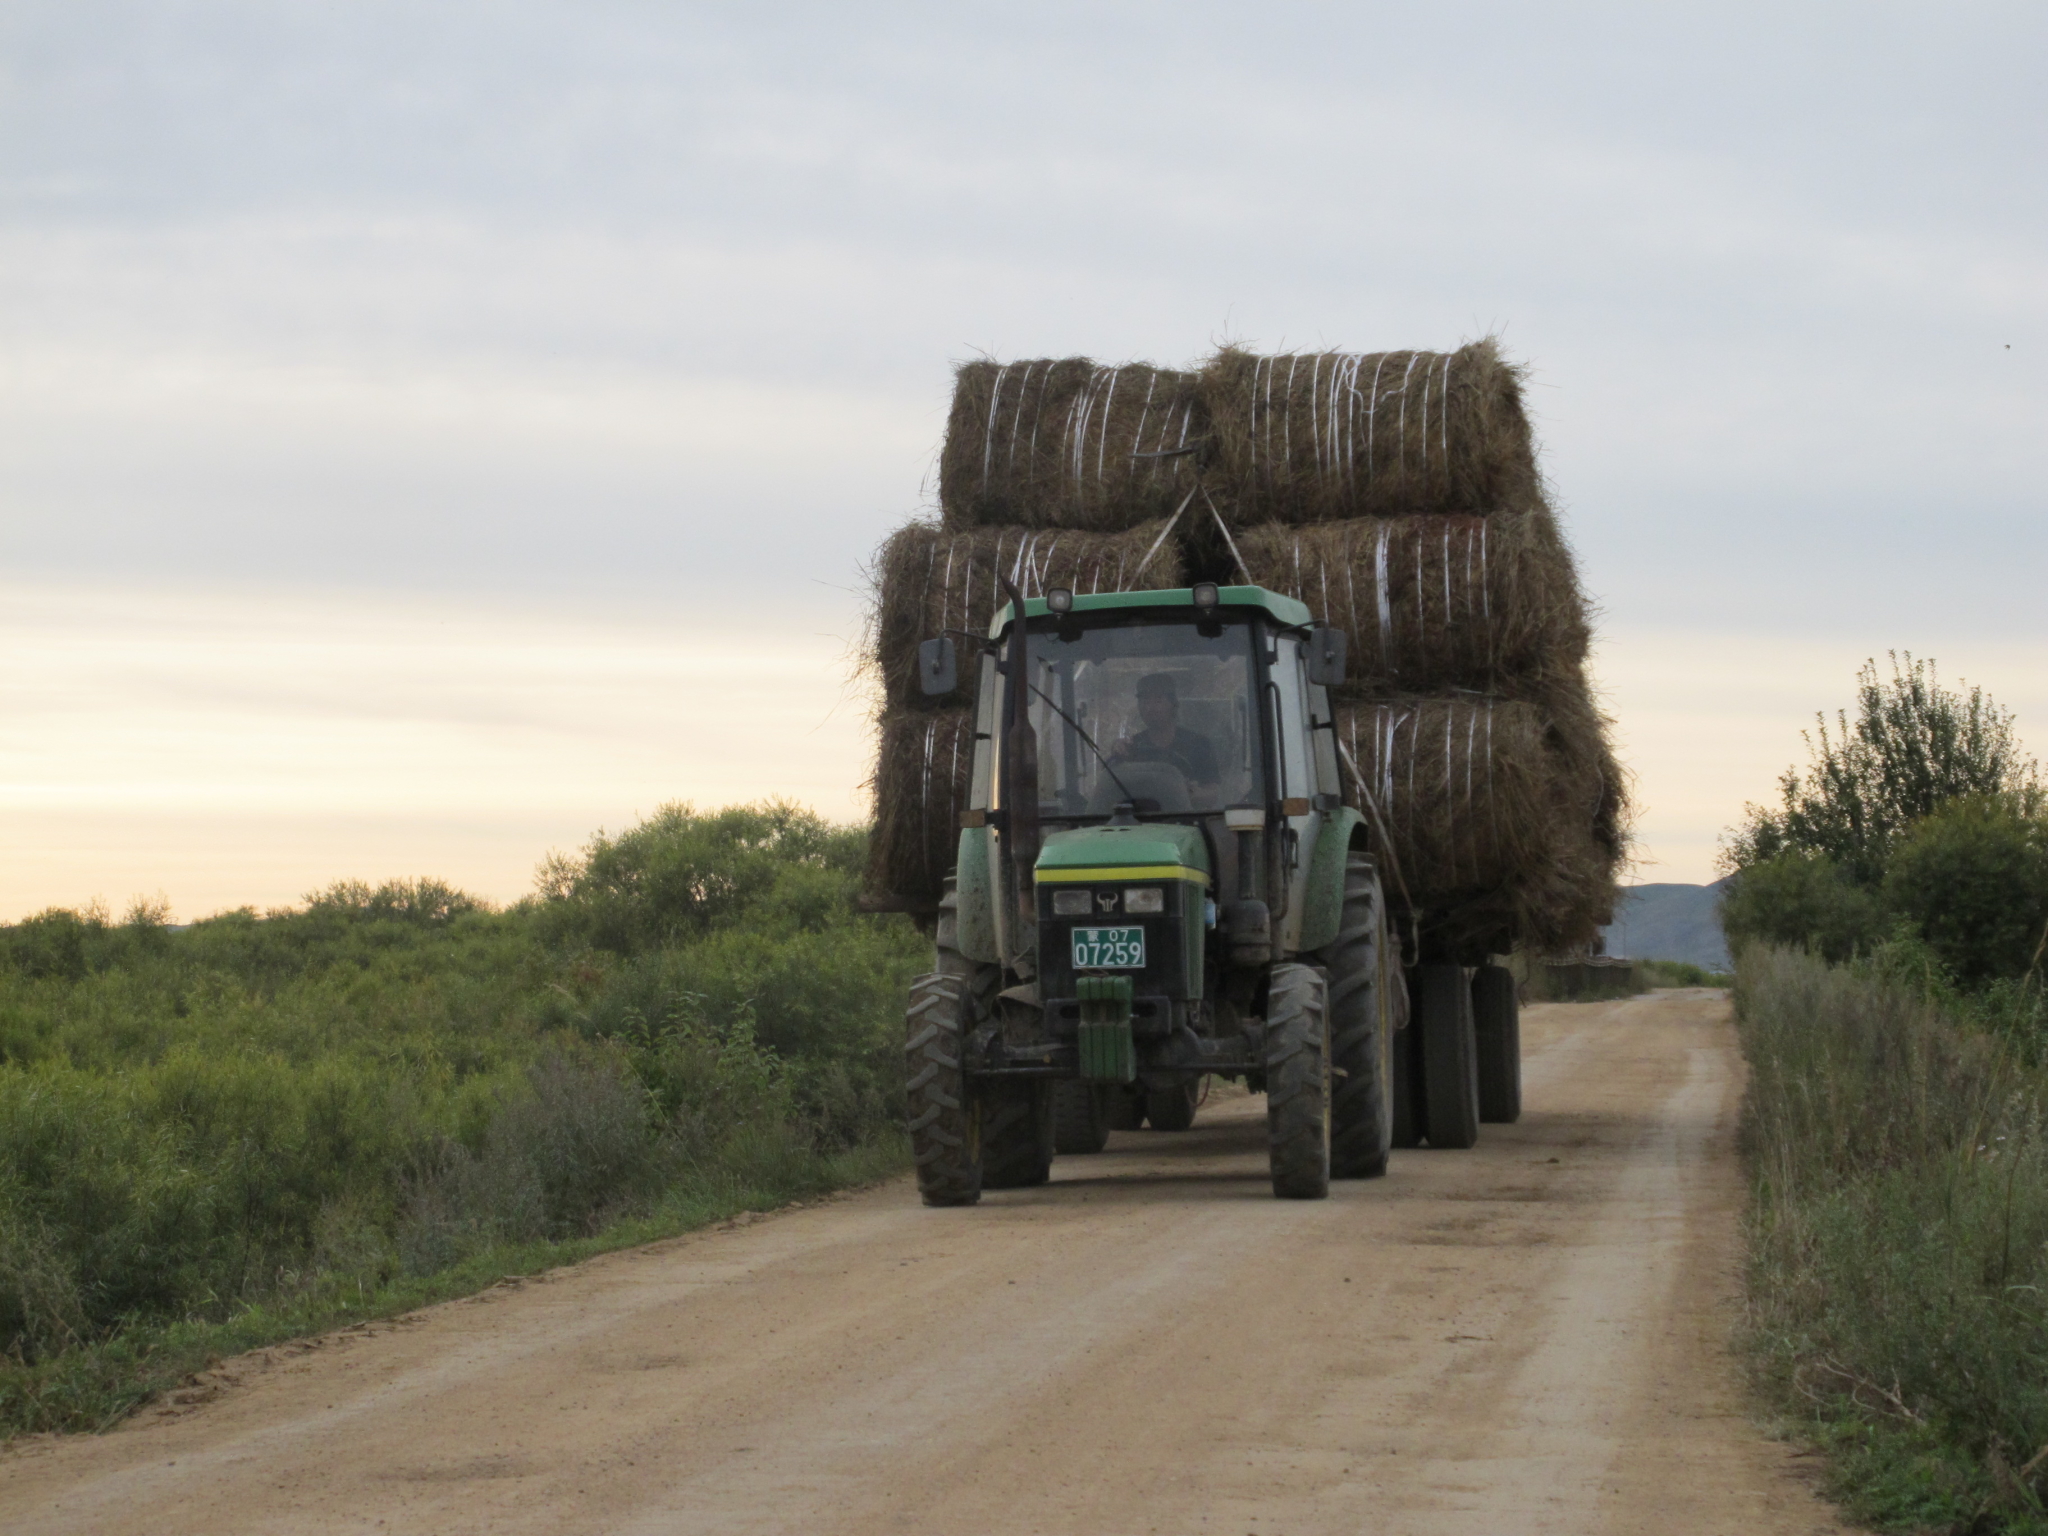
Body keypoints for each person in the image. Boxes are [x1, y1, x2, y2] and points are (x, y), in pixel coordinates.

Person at [1111, 672, 1219, 802]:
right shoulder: (1131, 747)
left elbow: (1213, 793)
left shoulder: (1199, 744)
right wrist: (1117, 755)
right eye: (1145, 701)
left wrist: (1192, 793)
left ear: (1173, 704)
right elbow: (1112, 791)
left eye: (1158, 700)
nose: (1150, 708)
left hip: (1189, 818)